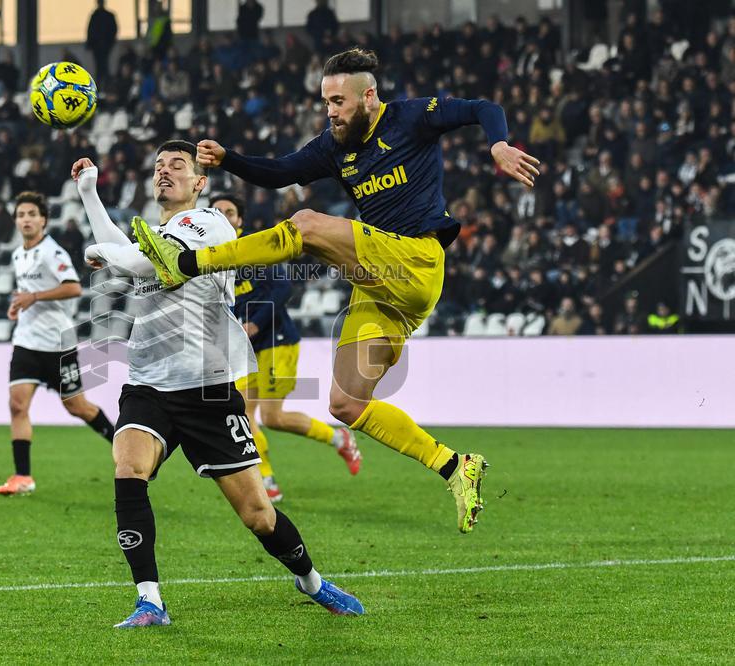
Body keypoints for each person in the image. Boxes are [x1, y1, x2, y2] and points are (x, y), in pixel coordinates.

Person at [133, 49, 540, 533]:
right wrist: (230, 160)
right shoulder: (334, 146)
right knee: (346, 404)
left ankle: (186, 262)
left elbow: (483, 108)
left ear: (368, 96)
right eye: (326, 101)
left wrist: (498, 144)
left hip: (416, 261)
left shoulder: (411, 117)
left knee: (305, 224)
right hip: (378, 287)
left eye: (338, 101)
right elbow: (281, 172)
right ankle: (455, 466)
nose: (330, 111)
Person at [74, 141, 363, 627]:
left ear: (199, 182)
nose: (165, 171)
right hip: (148, 384)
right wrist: (89, 193)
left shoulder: (210, 223)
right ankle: (150, 601)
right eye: (159, 165)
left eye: (177, 165)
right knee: (128, 469)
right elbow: (130, 254)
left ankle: (311, 581)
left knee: (259, 516)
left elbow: (145, 263)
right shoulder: (156, 232)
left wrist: (101, 251)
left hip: (207, 389)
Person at [211, 192, 362, 503]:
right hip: (245, 347)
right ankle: (266, 479)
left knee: (273, 417)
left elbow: (283, 287)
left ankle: (338, 438)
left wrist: (255, 323)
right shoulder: (211, 259)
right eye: (217, 212)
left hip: (276, 340)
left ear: (240, 220)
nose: (223, 216)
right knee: (243, 413)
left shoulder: (252, 248)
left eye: (229, 212)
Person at [0, 191, 116, 496]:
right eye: (21, 215)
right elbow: (28, 292)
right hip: (26, 342)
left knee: (77, 407)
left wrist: (35, 297)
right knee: (17, 405)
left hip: (58, 345)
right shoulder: (18, 254)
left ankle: (123, 443)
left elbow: (73, 288)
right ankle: (22, 477)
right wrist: (20, 304)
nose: (26, 220)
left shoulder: (53, 252)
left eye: (31, 214)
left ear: (43, 220)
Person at [86, 0, 118, 83]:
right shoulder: (97, 16)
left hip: (104, 46)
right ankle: (103, 83)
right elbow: (91, 31)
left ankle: (104, 83)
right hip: (100, 46)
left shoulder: (97, 16)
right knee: (100, 66)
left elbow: (91, 31)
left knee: (103, 66)